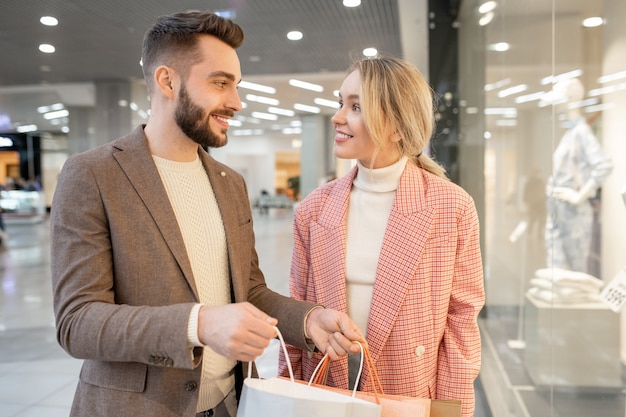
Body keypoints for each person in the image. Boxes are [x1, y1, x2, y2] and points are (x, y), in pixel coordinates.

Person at [50, 11, 364, 417]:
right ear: (167, 81)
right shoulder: (93, 174)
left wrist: (307, 321)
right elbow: (77, 322)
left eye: (236, 86)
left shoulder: (229, 183)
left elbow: (248, 291)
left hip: (227, 405)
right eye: (220, 83)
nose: (235, 102)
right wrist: (198, 324)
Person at [278, 56, 485, 417]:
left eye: (356, 106)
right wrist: (287, 391)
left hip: (409, 392)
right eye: (340, 102)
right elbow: (299, 310)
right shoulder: (315, 208)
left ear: (398, 125)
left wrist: (454, 410)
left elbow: (461, 320)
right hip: (326, 386)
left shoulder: (450, 207)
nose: (338, 117)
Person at [546, 78, 613, 273]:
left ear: (570, 98)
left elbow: (604, 165)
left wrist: (580, 196)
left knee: (575, 270)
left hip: (574, 213)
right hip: (560, 209)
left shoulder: (582, 132)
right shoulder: (571, 133)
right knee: (556, 268)